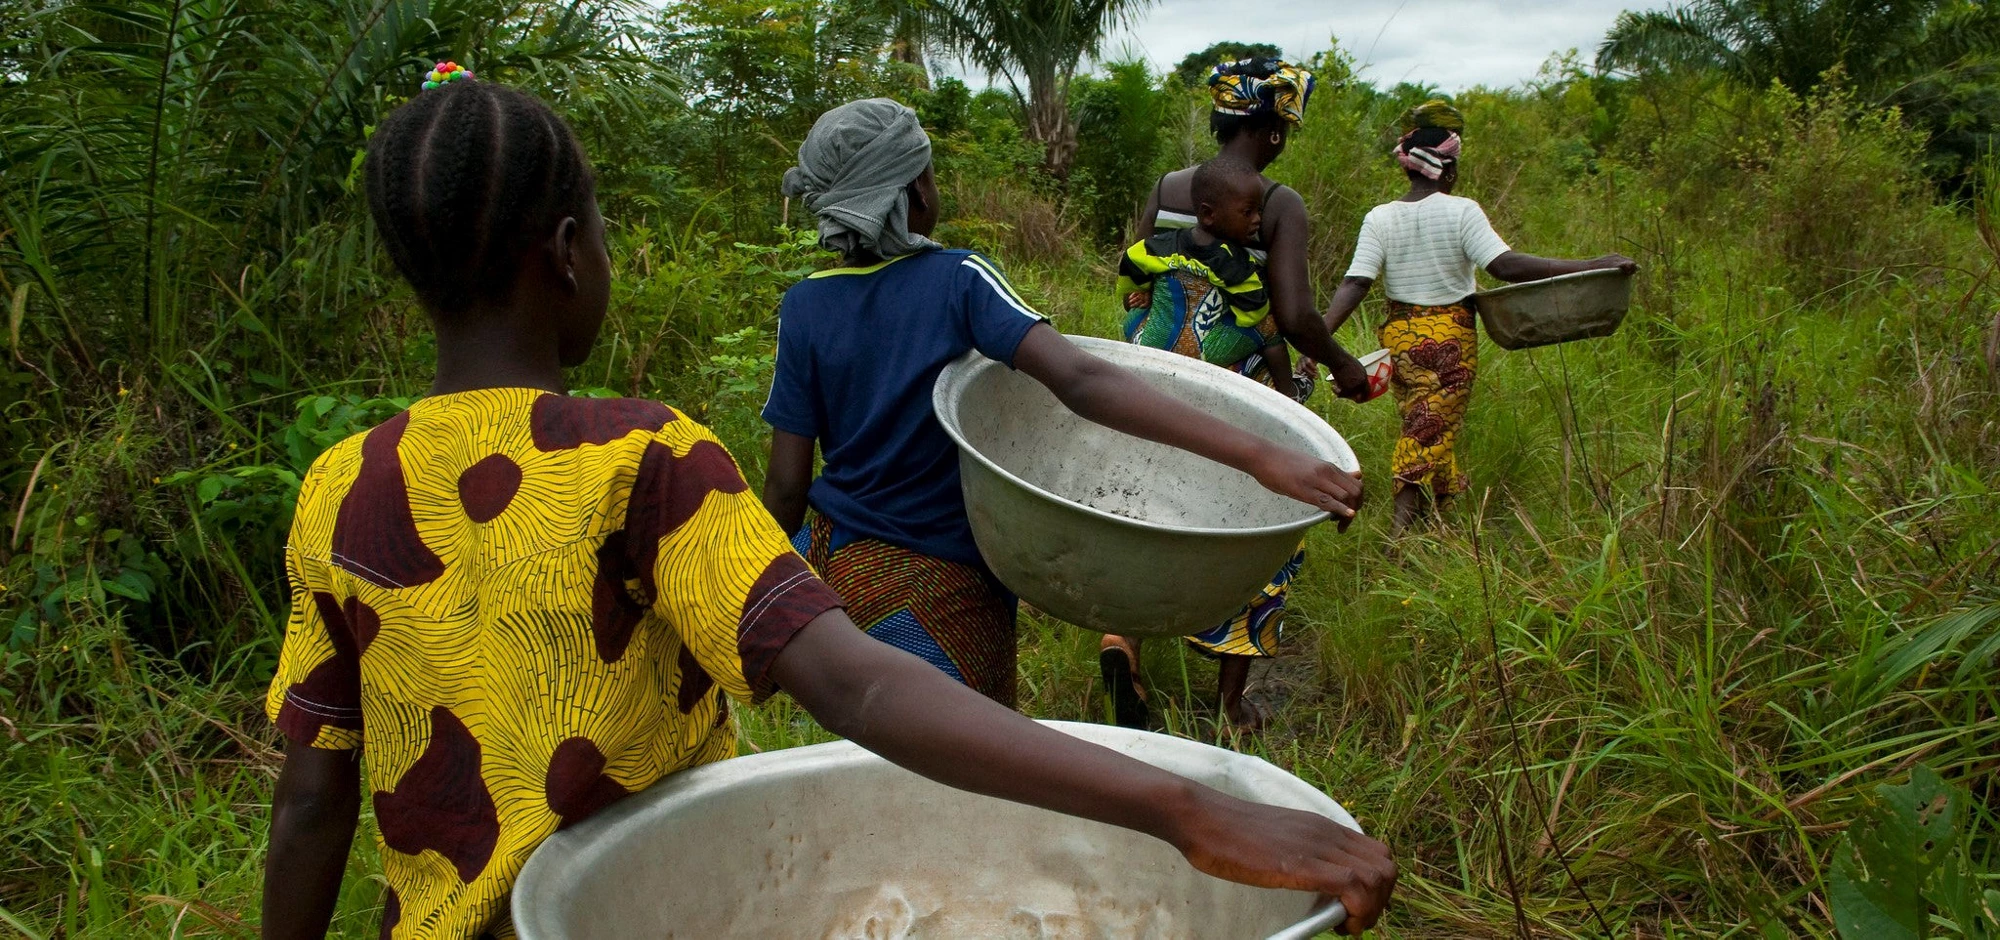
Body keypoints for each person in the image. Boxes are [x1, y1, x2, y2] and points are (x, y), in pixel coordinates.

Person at [260, 78, 1396, 939]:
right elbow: (856, 684)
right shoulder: (639, 457)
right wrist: (1182, 807)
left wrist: (782, 550)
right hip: (646, 890)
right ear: (567, 255)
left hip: (822, 574)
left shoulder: (338, 486)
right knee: (944, 802)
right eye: (602, 231)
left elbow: (312, 802)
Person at [761, 99, 1363, 710]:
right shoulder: (959, 278)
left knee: (871, 756)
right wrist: (1262, 457)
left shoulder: (804, 305)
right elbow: (1080, 379)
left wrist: (776, 597)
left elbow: (786, 483)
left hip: (837, 572)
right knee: (968, 760)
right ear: (918, 188)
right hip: (942, 584)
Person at [1109, 58, 1369, 732]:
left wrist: (1153, 349)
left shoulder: (1171, 186)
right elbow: (1293, 313)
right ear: (1275, 131)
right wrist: (1343, 367)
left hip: (1154, 383)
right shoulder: (1278, 204)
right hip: (1239, 395)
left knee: (1145, 507)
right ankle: (1229, 700)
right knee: (1259, 525)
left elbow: (1135, 280)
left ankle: (1124, 640)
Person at [1320, 100, 1638, 533]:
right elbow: (1504, 266)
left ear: (1408, 169)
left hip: (1402, 341)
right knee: (1425, 431)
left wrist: (1316, 338)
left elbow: (1355, 284)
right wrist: (1589, 265)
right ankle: (1398, 537)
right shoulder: (1461, 210)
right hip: (1449, 337)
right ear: (1447, 170)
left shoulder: (1380, 218)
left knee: (1429, 421)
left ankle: (1440, 529)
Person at [1118, 154, 1305, 402]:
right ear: (1208, 214)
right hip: (1200, 355)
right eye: (1248, 212)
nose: (1257, 220)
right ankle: (1288, 393)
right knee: (1270, 327)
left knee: (1136, 313)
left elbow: (1130, 260)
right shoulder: (1236, 265)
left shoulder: (1161, 245)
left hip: (1149, 345)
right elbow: (1253, 313)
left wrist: (1142, 291)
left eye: (1258, 211)